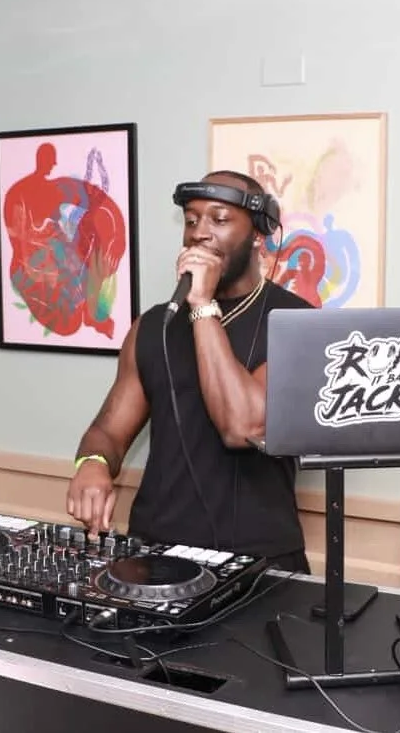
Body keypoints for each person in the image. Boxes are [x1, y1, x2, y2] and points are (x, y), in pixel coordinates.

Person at [66, 170, 314, 573]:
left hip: (262, 562)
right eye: (192, 219)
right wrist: (91, 463)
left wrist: (202, 306)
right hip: (157, 556)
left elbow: (243, 426)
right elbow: (107, 432)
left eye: (219, 219)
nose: (199, 232)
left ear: (258, 234)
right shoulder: (153, 327)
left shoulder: (298, 324)